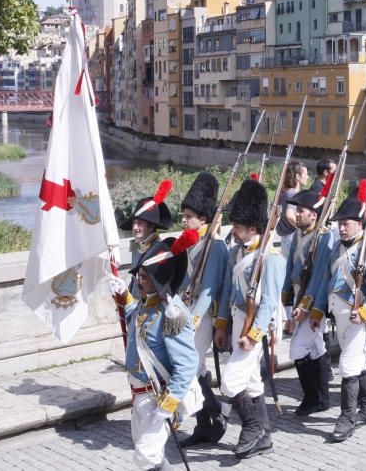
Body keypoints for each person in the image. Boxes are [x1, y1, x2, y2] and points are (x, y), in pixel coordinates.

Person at [112, 234, 199, 471]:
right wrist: (125, 297)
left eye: (144, 278)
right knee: (149, 457)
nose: (138, 282)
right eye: (139, 276)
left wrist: (169, 404)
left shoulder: (173, 314)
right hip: (139, 394)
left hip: (158, 397)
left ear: (158, 281)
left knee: (146, 455)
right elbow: (137, 326)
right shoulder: (147, 302)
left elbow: (188, 363)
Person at [213, 178, 285, 460]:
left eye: (239, 226)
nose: (234, 229)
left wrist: (252, 334)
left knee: (230, 383)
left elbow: (268, 303)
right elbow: (228, 292)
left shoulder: (272, 258)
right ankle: (264, 437)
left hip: (254, 329)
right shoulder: (236, 253)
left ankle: (252, 426)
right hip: (236, 320)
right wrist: (221, 324)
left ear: (253, 228)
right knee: (252, 382)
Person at [318, 181, 366, 443]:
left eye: (347, 222)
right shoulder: (338, 247)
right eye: (340, 222)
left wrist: (364, 312)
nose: (341, 226)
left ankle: (347, 417)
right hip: (339, 313)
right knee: (358, 363)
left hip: (358, 316)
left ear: (360, 223)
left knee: (347, 365)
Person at [176, 173, 231, 448]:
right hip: (187, 313)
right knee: (193, 372)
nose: (184, 220)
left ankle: (217, 411)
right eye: (184, 215)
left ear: (203, 218)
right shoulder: (193, 243)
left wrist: (192, 321)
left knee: (187, 371)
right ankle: (204, 424)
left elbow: (208, 290)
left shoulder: (216, 246)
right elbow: (186, 282)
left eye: (189, 216)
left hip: (204, 317)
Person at [281, 182, 337, 417]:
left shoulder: (324, 238)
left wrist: (306, 308)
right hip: (298, 296)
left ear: (313, 215)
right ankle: (321, 398)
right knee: (317, 348)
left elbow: (320, 276)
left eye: (301, 211)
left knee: (297, 349)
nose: (296, 214)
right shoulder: (299, 234)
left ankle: (312, 395)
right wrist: (286, 299)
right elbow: (290, 267)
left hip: (314, 301)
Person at [121, 180, 174, 296]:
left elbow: (158, 287)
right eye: (134, 223)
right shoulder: (137, 246)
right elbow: (135, 280)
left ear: (151, 226)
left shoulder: (160, 250)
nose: (135, 227)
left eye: (140, 223)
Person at [277, 161, 310, 256]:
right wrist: (304, 229)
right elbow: (290, 215)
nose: (307, 177)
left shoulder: (286, 192)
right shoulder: (293, 194)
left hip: (287, 238)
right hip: (291, 238)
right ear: (298, 177)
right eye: (306, 174)